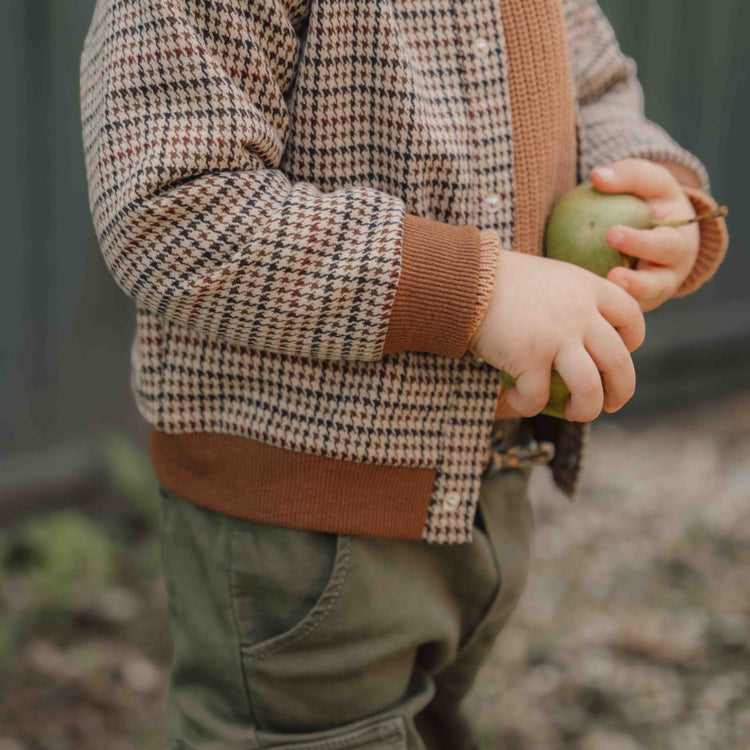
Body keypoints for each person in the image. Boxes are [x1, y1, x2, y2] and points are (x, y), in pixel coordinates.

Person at [80, 0, 728, 747]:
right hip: (300, 516)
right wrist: (476, 294)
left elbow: (596, 84)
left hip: (486, 480)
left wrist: (653, 192)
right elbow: (174, 214)